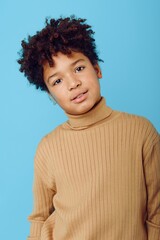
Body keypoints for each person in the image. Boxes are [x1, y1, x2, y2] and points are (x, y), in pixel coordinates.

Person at [18, 16, 160, 240]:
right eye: (57, 81)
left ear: (97, 69)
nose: (73, 83)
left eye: (79, 68)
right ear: (51, 96)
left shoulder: (141, 132)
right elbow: (39, 218)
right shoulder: (48, 148)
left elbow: (157, 214)